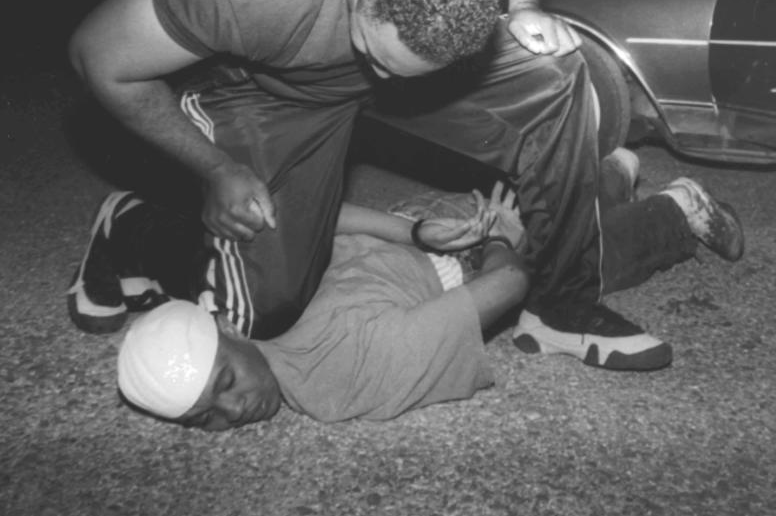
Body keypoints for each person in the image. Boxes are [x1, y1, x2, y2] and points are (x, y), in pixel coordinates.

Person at [67, 0, 742, 371]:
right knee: (261, 315)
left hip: (417, 47)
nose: (387, 84)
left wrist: (527, 5)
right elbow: (97, 57)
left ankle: (561, 306)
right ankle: (133, 224)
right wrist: (213, 168)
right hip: (278, 90)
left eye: (407, 72)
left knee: (555, 69)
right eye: (375, 55)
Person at [114, 157, 743, 431]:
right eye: (206, 419)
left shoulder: (339, 375)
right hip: (433, 234)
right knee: (541, 222)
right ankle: (609, 173)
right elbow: (317, 224)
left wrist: (492, 238)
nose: (235, 410)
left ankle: (674, 209)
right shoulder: (247, 309)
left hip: (444, 238)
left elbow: (508, 281)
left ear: (222, 328)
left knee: (557, 266)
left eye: (224, 383)